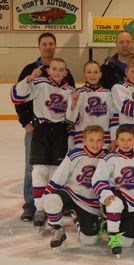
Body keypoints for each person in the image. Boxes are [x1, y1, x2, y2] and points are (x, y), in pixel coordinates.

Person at [13, 32, 75, 222]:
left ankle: (56, 203)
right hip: (37, 128)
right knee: (33, 168)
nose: (48, 46)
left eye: (51, 43)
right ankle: (31, 205)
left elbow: (70, 107)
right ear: (39, 46)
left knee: (58, 169)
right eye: (45, 44)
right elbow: (19, 96)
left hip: (59, 131)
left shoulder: (67, 78)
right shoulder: (32, 71)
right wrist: (25, 122)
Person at [92, 124, 134, 257]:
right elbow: (98, 179)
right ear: (116, 141)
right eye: (122, 140)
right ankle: (113, 236)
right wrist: (105, 194)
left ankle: (105, 224)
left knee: (127, 242)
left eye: (129, 139)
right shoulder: (110, 158)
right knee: (115, 203)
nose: (125, 143)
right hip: (116, 195)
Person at [43, 125, 107, 249]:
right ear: (84, 141)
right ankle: (58, 229)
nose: (95, 144)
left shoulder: (107, 158)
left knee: (90, 240)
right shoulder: (75, 154)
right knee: (51, 199)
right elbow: (59, 176)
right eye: (91, 140)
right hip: (71, 194)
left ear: (103, 141)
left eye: (99, 140)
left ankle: (78, 219)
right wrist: (44, 200)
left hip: (90, 203)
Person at [66, 61, 116, 149]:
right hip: (82, 143)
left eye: (96, 72)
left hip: (104, 143)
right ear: (84, 74)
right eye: (89, 72)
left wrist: (114, 140)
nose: (92, 75)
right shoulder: (77, 93)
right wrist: (73, 105)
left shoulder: (108, 93)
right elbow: (72, 121)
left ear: (100, 74)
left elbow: (114, 119)